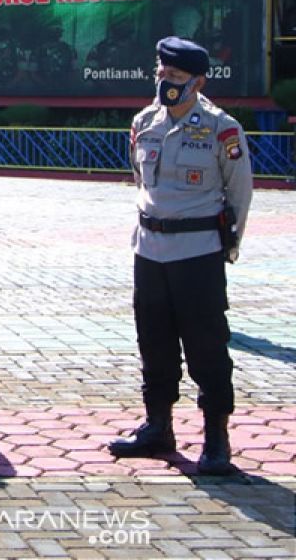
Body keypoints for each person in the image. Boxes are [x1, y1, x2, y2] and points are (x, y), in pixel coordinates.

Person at [107, 36, 253, 476]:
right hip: (149, 250)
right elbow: (140, 181)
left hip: (197, 252)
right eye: (161, 73)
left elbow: (240, 192)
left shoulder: (221, 128)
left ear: (198, 81)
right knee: (154, 341)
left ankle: (216, 439)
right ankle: (158, 427)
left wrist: (228, 244)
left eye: (175, 76)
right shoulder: (143, 122)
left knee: (206, 345)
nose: (164, 82)